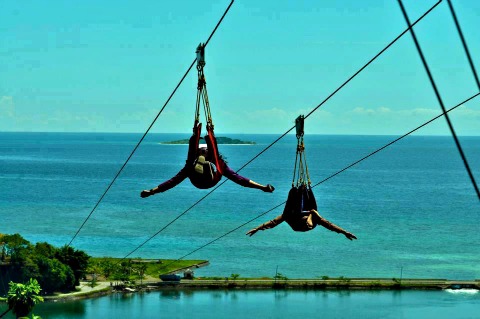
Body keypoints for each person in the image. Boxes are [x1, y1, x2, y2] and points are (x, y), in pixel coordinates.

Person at [141, 123, 274, 198]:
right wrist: (152, 191)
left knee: (204, 162)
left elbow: (239, 179)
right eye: (201, 150)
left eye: (205, 150)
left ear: (208, 151)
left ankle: (201, 151)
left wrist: (262, 187)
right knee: (193, 162)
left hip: (210, 180)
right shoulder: (191, 165)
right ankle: (199, 146)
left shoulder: (219, 164)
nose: (203, 151)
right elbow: (172, 182)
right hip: (199, 180)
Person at [246, 186, 356, 240]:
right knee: (312, 214)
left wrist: (344, 232)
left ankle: (310, 215)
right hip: (301, 223)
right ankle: (311, 215)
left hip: (304, 224)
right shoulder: (290, 214)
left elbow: (330, 226)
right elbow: (273, 223)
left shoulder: (290, 214)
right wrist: (258, 228)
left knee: (312, 215)